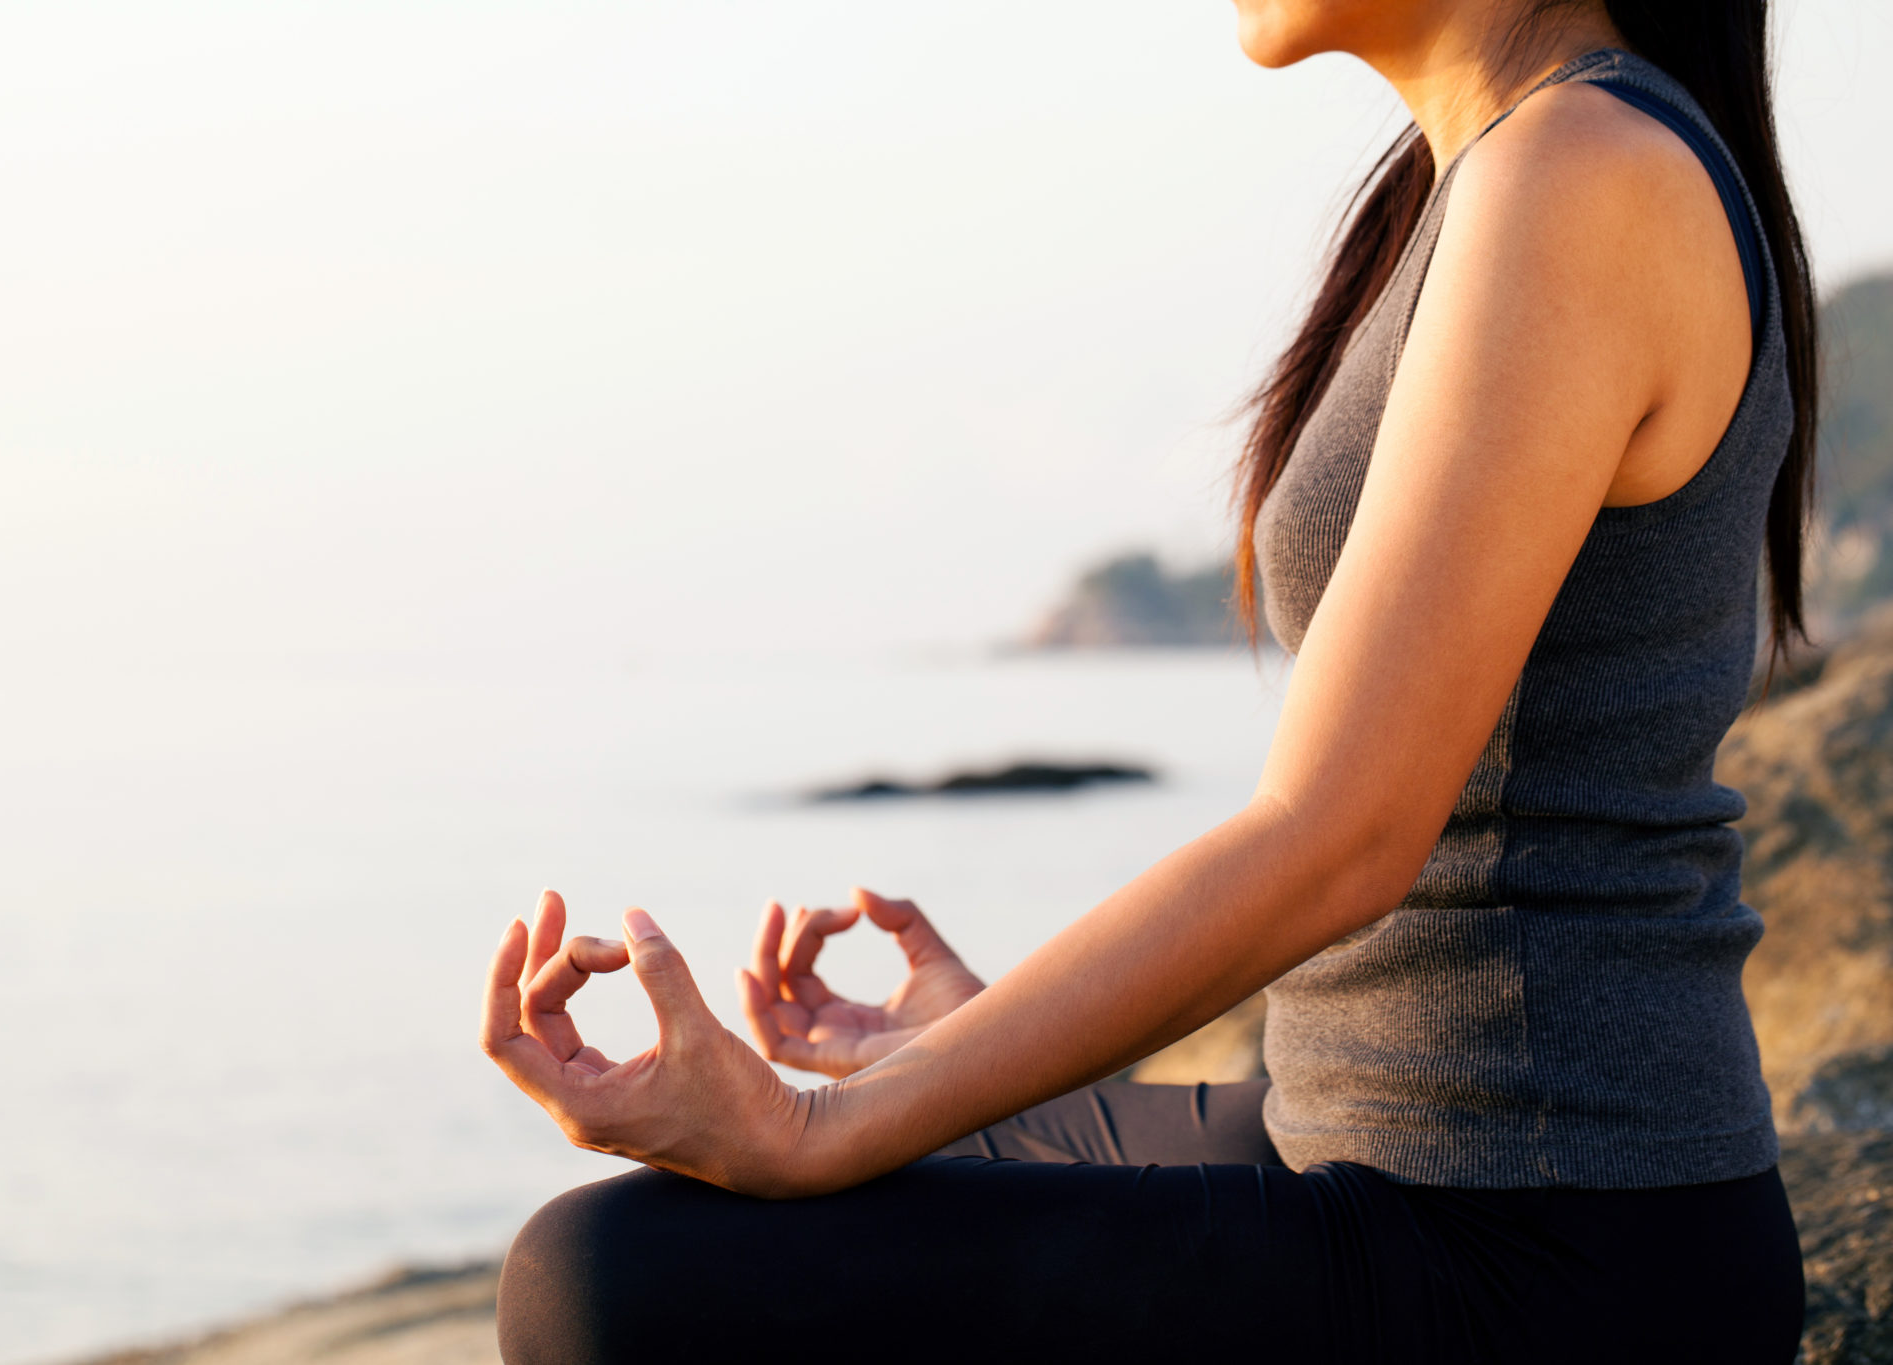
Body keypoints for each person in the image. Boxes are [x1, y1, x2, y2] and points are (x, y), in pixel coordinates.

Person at [478, 0, 1819, 1359]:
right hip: (1367, 1134)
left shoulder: (1583, 171)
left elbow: (1339, 834)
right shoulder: (1485, 177)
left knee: (596, 1278)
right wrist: (979, 1042)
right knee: (829, 1165)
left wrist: (811, 1127)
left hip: (1553, 1244)